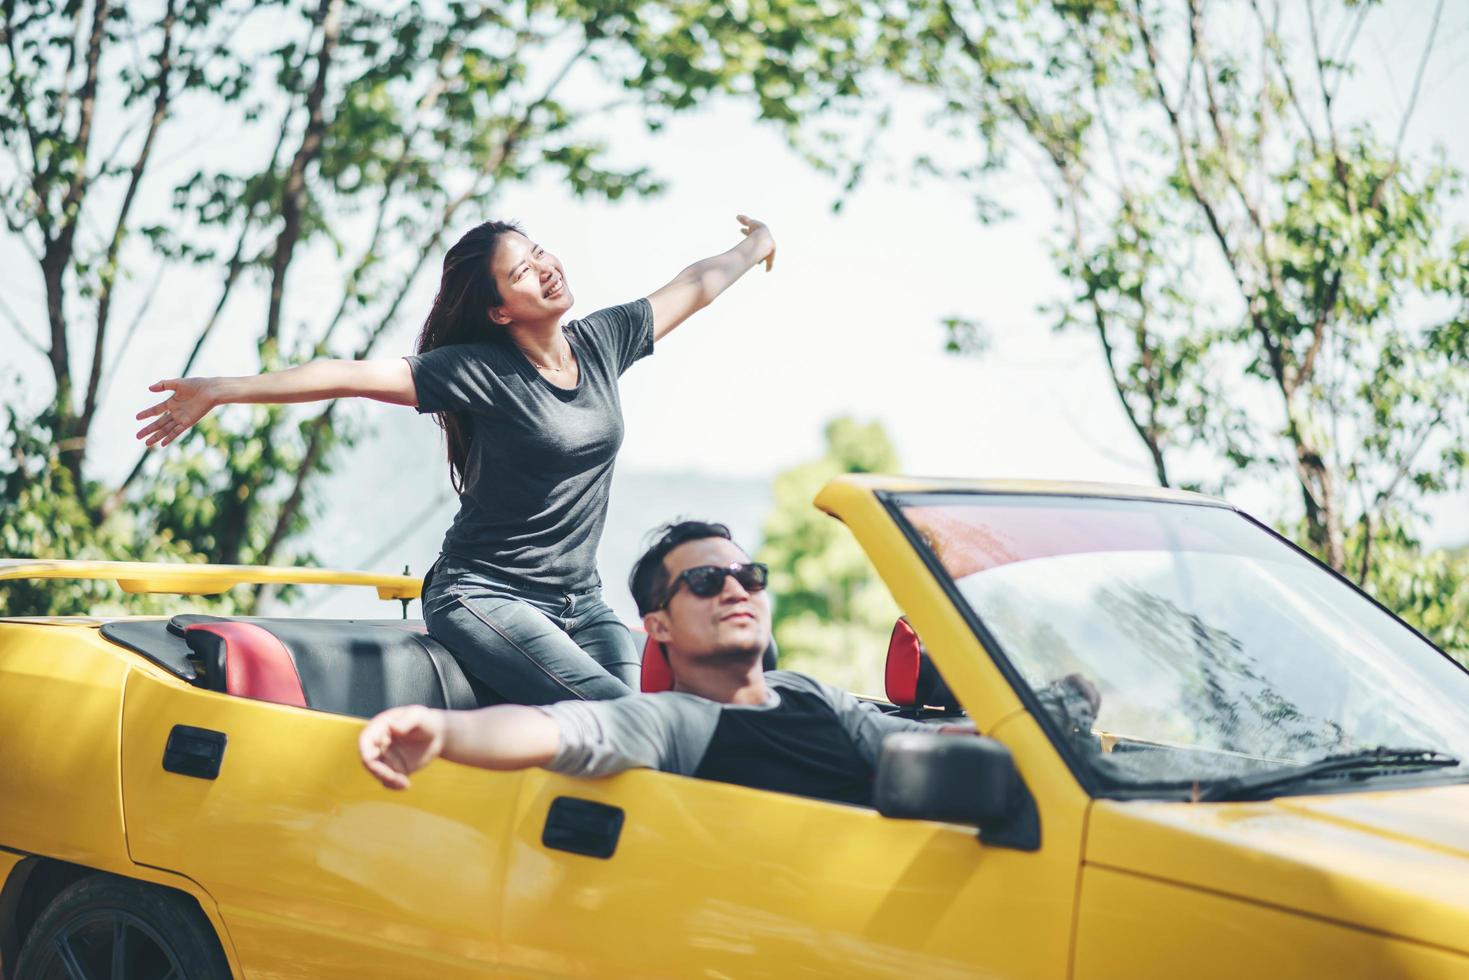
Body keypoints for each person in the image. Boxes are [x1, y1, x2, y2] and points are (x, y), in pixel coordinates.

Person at [136, 217, 776, 705]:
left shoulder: (603, 342)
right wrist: (223, 389)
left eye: (538, 254)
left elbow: (694, 287)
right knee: (620, 715)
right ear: (499, 310)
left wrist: (756, 244)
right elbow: (348, 375)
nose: (544, 268)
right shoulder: (479, 372)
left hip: (581, 599)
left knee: (644, 720)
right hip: (484, 596)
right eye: (521, 272)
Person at [359, 520, 947, 807]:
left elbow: (929, 744)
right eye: (705, 581)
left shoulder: (810, 693)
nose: (736, 590)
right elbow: (562, 728)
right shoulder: (670, 721)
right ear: (658, 626)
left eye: (748, 577)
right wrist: (441, 729)